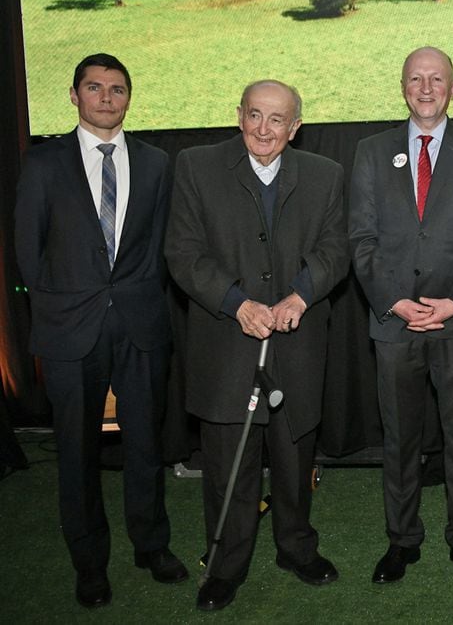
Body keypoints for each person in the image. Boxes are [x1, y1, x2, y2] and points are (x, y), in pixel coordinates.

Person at [165, 80, 349, 610]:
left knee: (295, 461)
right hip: (226, 342)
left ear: (296, 128)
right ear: (238, 116)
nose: (263, 129)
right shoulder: (197, 167)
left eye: (277, 120)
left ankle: (296, 548)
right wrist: (236, 303)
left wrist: (301, 296)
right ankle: (226, 566)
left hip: (298, 343)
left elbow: (337, 248)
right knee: (229, 465)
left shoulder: (325, 175)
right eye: (254, 115)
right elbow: (182, 252)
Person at [14, 53, 187, 608]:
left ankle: (150, 544)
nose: (106, 98)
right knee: (76, 453)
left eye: (117, 89)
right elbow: (27, 252)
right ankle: (89, 564)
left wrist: (135, 297)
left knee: (144, 445)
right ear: (74, 96)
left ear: (128, 98)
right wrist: (66, 304)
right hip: (70, 332)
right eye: (94, 87)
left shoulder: (158, 163)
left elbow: (163, 245)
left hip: (140, 325)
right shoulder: (42, 164)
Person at [349, 47, 453, 584]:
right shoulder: (371, 152)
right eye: (415, 78)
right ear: (402, 86)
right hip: (393, 324)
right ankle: (402, 540)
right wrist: (395, 300)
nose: (425, 87)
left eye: (436, 79)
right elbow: (361, 239)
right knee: (400, 439)